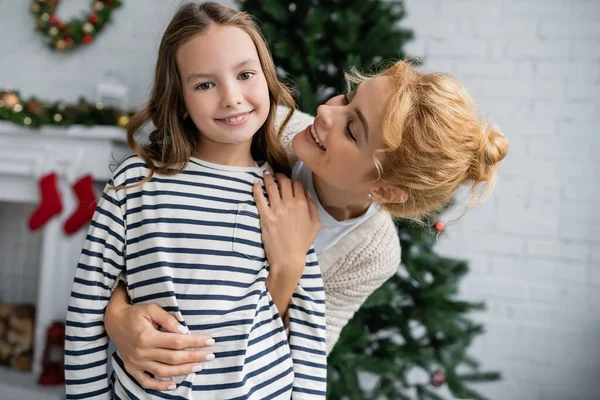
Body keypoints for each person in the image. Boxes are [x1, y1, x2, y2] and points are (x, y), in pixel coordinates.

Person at [103, 50, 509, 392]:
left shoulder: (372, 254)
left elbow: (294, 359)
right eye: (348, 97)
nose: (327, 112)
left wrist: (289, 265)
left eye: (352, 129)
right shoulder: (261, 127)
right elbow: (136, 233)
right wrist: (118, 318)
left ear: (385, 191)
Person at [64, 2, 328, 399]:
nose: (232, 98)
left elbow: (309, 326)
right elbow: (86, 309)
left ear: (267, 78)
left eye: (245, 74)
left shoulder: (283, 194)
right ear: (181, 101)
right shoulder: (135, 182)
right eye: (205, 84)